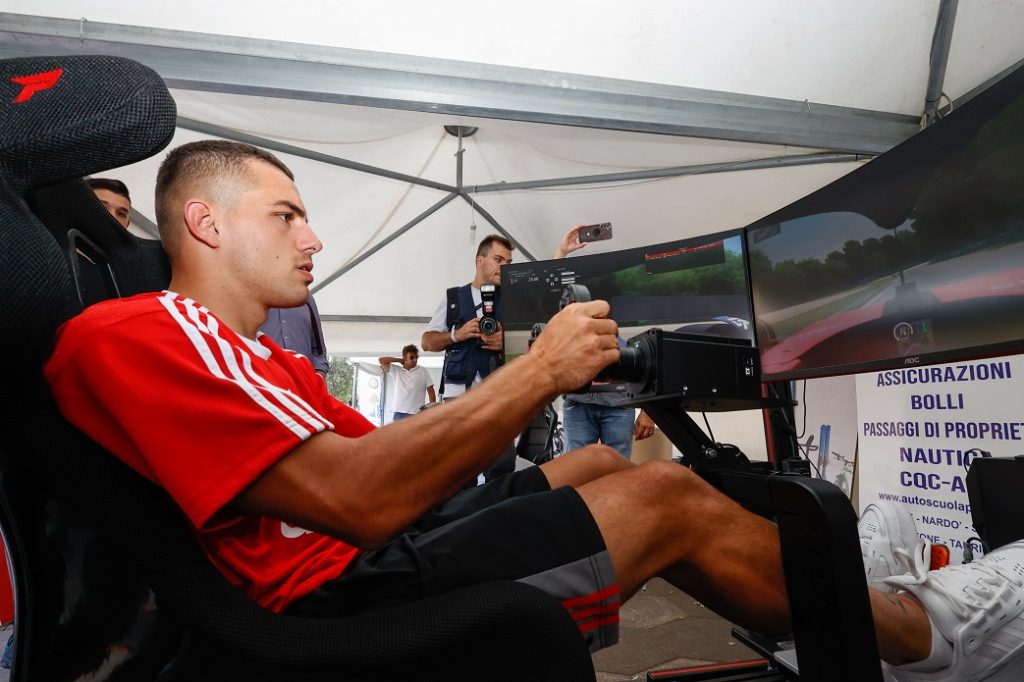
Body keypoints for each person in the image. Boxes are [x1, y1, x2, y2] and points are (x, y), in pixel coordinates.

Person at [43, 141, 1024, 678]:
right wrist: (537, 373)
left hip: (357, 551)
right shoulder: (141, 331)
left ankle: (836, 590)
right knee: (664, 502)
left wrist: (528, 393)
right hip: (328, 598)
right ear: (205, 222)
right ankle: (923, 633)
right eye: (286, 214)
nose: (313, 238)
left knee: (601, 465)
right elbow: (358, 498)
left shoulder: (241, 349)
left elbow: (382, 464)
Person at [555, 225, 656, 459]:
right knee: (575, 469)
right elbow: (550, 283)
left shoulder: (629, 330)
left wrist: (648, 413)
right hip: (577, 404)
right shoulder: (570, 316)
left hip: (619, 407)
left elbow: (649, 369)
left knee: (617, 468)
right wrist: (561, 252)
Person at [421, 234, 512, 400]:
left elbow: (537, 343)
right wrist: (456, 335)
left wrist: (508, 342)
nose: (504, 267)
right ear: (480, 261)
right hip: (457, 397)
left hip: (500, 394)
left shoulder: (512, 298)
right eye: (498, 260)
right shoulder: (453, 298)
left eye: (508, 263)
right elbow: (426, 343)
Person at [259, 293, 330, 379]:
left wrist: (320, 375)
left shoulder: (306, 298)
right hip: (264, 377)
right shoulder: (253, 296)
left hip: (303, 378)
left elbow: (319, 349)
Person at [378, 344, 436, 421]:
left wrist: (432, 408)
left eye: (416, 357)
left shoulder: (422, 371)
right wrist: (399, 360)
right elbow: (381, 360)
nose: (415, 360)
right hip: (399, 413)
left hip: (417, 413)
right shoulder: (396, 370)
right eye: (412, 357)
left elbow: (430, 389)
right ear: (405, 358)